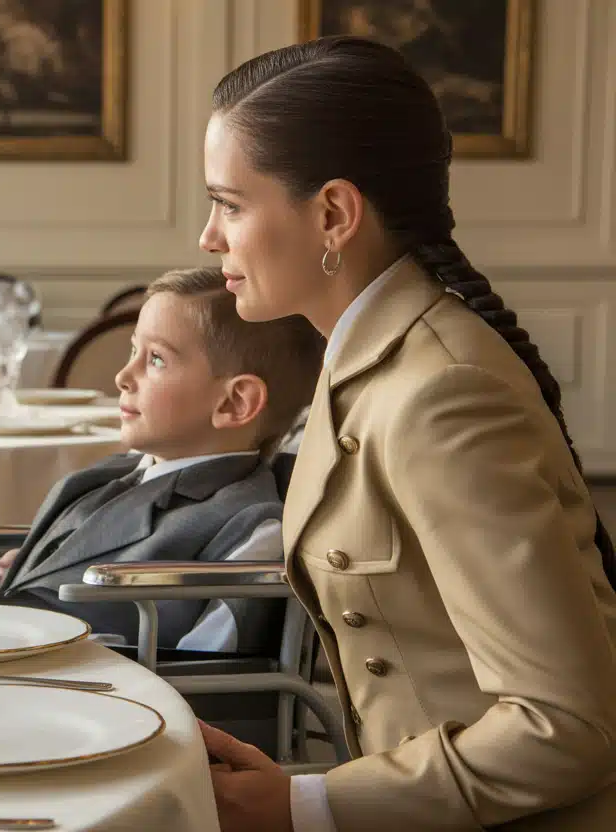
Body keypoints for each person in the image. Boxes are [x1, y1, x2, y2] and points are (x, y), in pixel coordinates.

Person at [194, 35, 616, 831]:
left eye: (230, 203)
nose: (209, 237)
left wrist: (305, 804)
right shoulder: (370, 355)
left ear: (333, 214)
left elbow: (567, 728)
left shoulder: (440, 392)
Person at [0, 267, 324, 653]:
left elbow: (205, 674)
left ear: (234, 402)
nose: (123, 376)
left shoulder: (251, 525)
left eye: (156, 359)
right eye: (133, 351)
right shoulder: (99, 479)